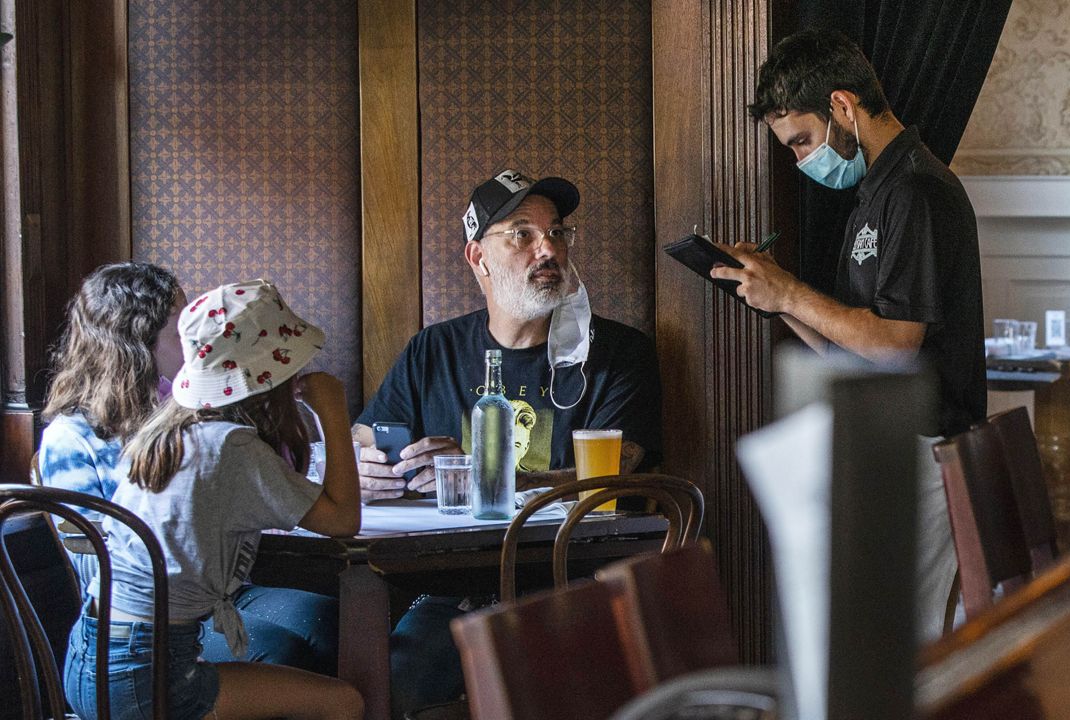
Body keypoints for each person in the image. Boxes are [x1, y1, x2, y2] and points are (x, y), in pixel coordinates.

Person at [354, 169, 663, 714]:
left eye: (558, 233)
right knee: (385, 684)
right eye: (522, 234)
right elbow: (365, 435)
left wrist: (493, 475)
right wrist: (366, 465)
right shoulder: (434, 349)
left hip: (570, 582)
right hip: (444, 584)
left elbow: (623, 474)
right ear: (478, 258)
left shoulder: (617, 352)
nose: (548, 248)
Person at [711, 29, 985, 640]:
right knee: (862, 639)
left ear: (842, 106)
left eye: (803, 140)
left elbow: (895, 345)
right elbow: (855, 347)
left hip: (923, 448)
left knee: (891, 649)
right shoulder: (876, 191)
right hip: (887, 442)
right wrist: (772, 297)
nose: (804, 159)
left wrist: (791, 293)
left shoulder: (915, 190)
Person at [61, 279, 363, 720]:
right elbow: (343, 521)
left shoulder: (165, 432)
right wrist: (333, 413)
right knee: (342, 703)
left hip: (90, 655)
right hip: (145, 675)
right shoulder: (230, 448)